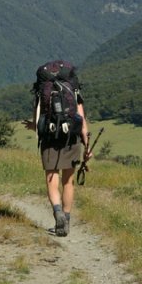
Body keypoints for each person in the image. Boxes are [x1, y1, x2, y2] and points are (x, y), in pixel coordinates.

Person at [23, 63, 91, 237]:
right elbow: (82, 120)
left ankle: (57, 211)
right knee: (68, 181)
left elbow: (38, 122)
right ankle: (66, 221)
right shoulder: (74, 91)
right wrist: (86, 146)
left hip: (49, 138)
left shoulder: (42, 92)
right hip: (72, 138)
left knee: (51, 179)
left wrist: (32, 126)